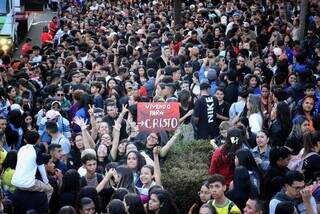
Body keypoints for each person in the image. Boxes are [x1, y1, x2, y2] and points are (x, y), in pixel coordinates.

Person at [11, 130, 53, 201]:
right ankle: (44, 209)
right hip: (28, 183)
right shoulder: (37, 150)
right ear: (38, 140)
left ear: (25, 140)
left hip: (15, 181)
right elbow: (42, 168)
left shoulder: (21, 149)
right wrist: (46, 182)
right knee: (50, 189)